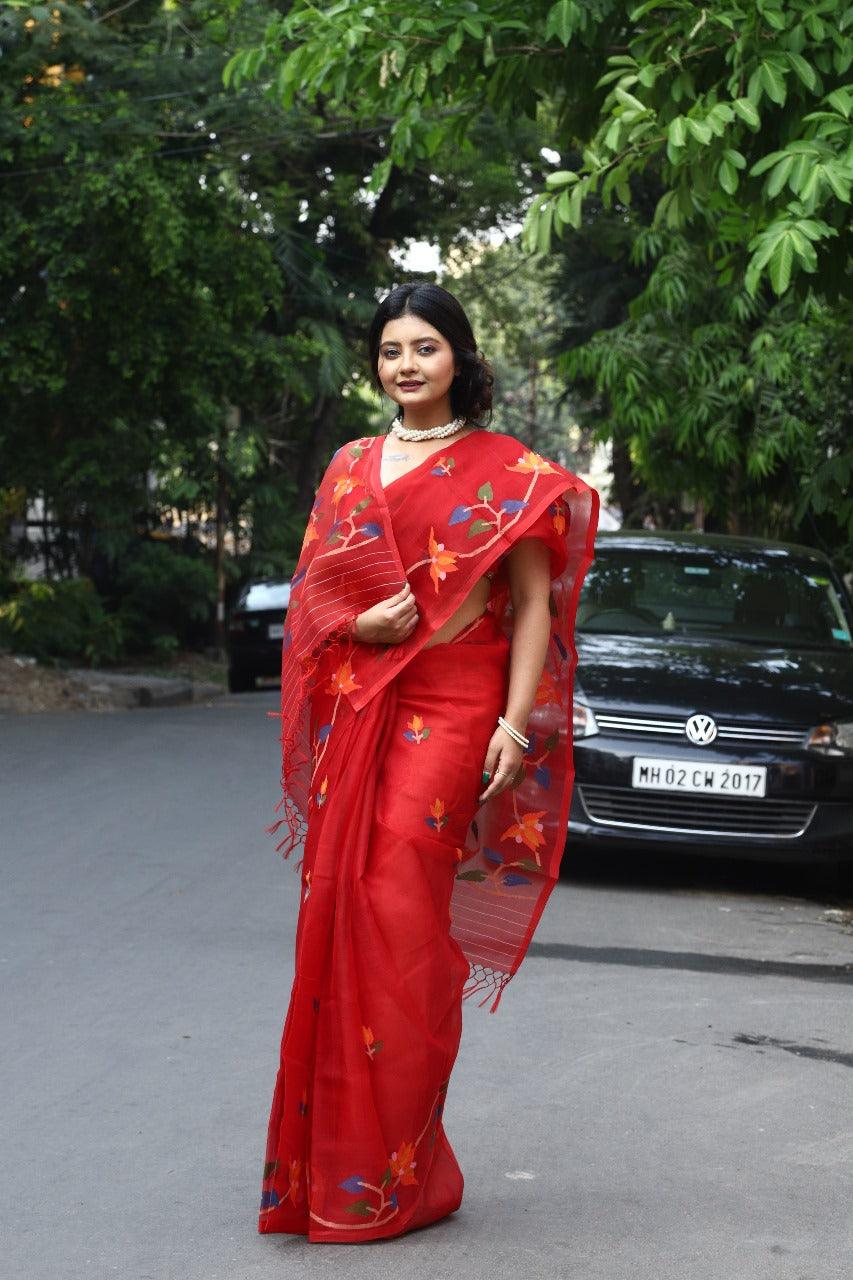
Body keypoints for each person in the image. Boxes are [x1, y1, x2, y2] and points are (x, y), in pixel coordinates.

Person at [258, 281, 598, 1243]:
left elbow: (532, 605)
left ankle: (400, 1164)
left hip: (454, 706)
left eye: (425, 348)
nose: (405, 365)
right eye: (390, 350)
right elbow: (311, 596)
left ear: (461, 357)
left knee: (401, 910)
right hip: (365, 700)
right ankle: (343, 1172)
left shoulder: (511, 474)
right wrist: (356, 620)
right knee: (343, 909)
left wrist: (513, 724)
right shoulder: (349, 466)